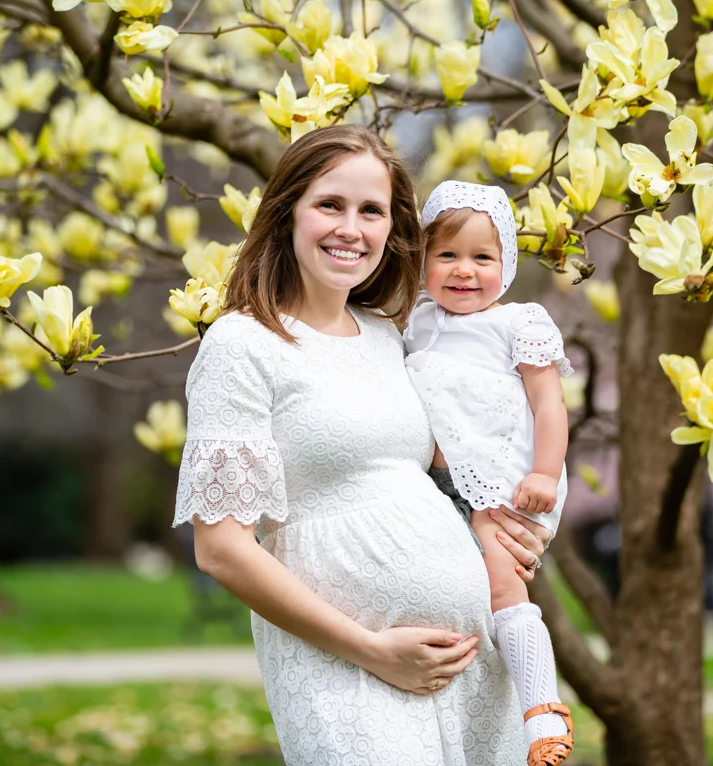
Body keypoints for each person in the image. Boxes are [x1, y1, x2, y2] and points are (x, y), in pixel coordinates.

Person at [173, 125, 550, 766]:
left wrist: (509, 526)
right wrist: (371, 649)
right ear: (287, 211)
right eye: (330, 205)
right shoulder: (242, 345)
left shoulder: (386, 335)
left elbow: (453, 465)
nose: (351, 228)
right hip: (349, 665)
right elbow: (221, 550)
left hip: (474, 662)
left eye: (370, 210)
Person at [404, 181, 574, 766]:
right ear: (422, 261)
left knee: (504, 583)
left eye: (482, 257)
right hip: (434, 491)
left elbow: (549, 405)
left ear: (505, 264)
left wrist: (546, 475)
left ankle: (543, 715)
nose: (464, 271)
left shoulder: (518, 323)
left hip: (502, 487)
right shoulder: (415, 325)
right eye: (446, 255)